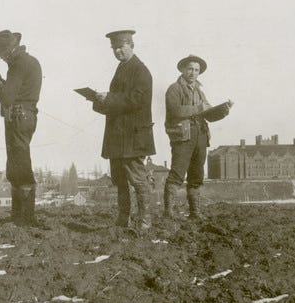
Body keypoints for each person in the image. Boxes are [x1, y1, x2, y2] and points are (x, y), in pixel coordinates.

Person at [92, 29, 156, 230]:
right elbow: (119, 101)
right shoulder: (122, 68)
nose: (117, 51)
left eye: (121, 47)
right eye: (114, 48)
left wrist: (108, 98)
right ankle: (123, 220)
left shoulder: (141, 71)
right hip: (118, 136)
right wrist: (98, 101)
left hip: (133, 136)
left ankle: (145, 221)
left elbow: (137, 100)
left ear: (131, 45)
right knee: (119, 180)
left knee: (138, 180)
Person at [0, 29, 42, 226]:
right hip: (24, 116)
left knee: (20, 165)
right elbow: (16, 91)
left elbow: (8, 97)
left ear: (9, 51)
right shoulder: (27, 62)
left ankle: (24, 218)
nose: (2, 58)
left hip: (18, 117)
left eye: (2, 55)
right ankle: (20, 217)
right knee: (17, 164)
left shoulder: (18, 65)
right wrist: (1, 82)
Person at [163, 54, 215, 220]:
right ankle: (169, 212)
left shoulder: (200, 91)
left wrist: (222, 110)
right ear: (183, 70)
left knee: (196, 175)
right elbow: (176, 110)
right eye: (190, 69)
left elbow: (208, 113)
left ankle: (195, 212)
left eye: (196, 70)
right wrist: (200, 107)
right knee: (177, 173)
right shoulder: (174, 89)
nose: (193, 72)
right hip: (183, 136)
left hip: (200, 135)